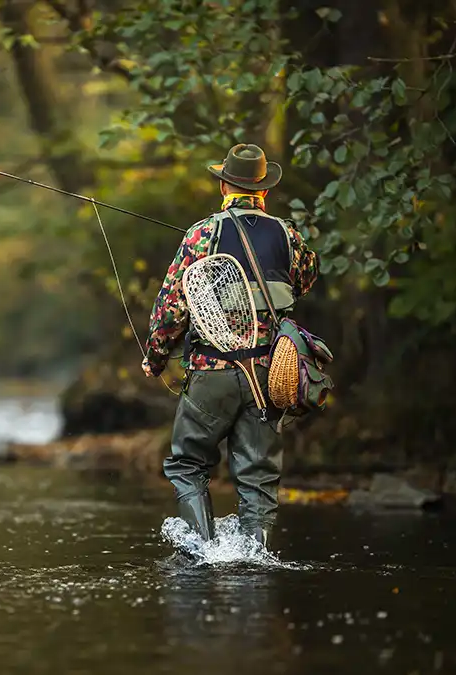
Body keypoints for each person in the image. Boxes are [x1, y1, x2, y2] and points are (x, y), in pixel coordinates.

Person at [141, 143, 319, 549]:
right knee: (258, 477)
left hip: (213, 371)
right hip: (269, 375)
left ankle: (205, 554)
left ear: (224, 185)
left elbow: (171, 308)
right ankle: (255, 558)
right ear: (264, 190)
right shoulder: (288, 235)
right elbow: (306, 279)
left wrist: (155, 358)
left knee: (188, 465)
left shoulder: (202, 234)